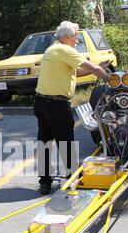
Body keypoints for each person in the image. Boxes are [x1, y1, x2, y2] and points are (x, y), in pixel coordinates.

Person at [34, 21, 111, 195]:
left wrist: (98, 70)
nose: (78, 40)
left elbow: (74, 72)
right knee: (66, 141)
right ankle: (72, 178)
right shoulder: (65, 50)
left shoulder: (52, 49)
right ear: (67, 37)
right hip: (56, 104)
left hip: (41, 102)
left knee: (44, 142)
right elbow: (91, 66)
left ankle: (44, 182)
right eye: (76, 36)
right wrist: (107, 77)